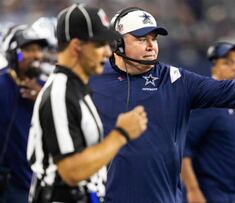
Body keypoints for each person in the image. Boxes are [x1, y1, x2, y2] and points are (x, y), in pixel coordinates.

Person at [89, 7, 235, 203]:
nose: (150, 46)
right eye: (141, 38)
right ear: (116, 42)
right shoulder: (92, 78)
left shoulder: (174, 80)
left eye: (153, 39)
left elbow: (229, 90)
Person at [26, 4, 148, 203]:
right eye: (100, 44)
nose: (108, 52)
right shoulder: (60, 92)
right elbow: (71, 172)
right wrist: (121, 134)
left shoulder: (76, 89)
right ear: (77, 46)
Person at [181, 42, 235, 203]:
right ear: (214, 68)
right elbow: (183, 148)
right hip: (211, 193)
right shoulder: (208, 102)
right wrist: (193, 189)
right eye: (228, 62)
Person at [0, 24, 48, 203]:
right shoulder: (2, 84)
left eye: (39, 49)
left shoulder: (48, 88)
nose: (37, 55)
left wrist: (42, 100)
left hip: (33, 184)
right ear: (13, 53)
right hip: (7, 185)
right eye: (28, 49)